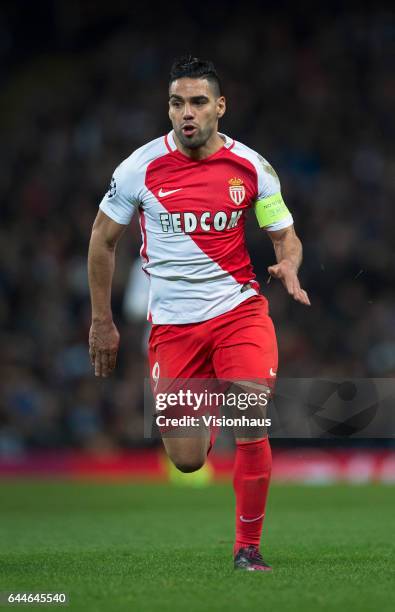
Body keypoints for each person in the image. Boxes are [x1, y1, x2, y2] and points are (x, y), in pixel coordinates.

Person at [88, 55, 310, 571]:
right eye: (176, 102)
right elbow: (102, 240)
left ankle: (247, 549)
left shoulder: (252, 167)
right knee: (187, 460)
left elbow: (285, 235)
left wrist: (290, 265)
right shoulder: (139, 167)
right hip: (173, 326)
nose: (186, 112)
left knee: (250, 416)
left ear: (220, 107)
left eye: (197, 102)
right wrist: (102, 321)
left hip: (239, 311)